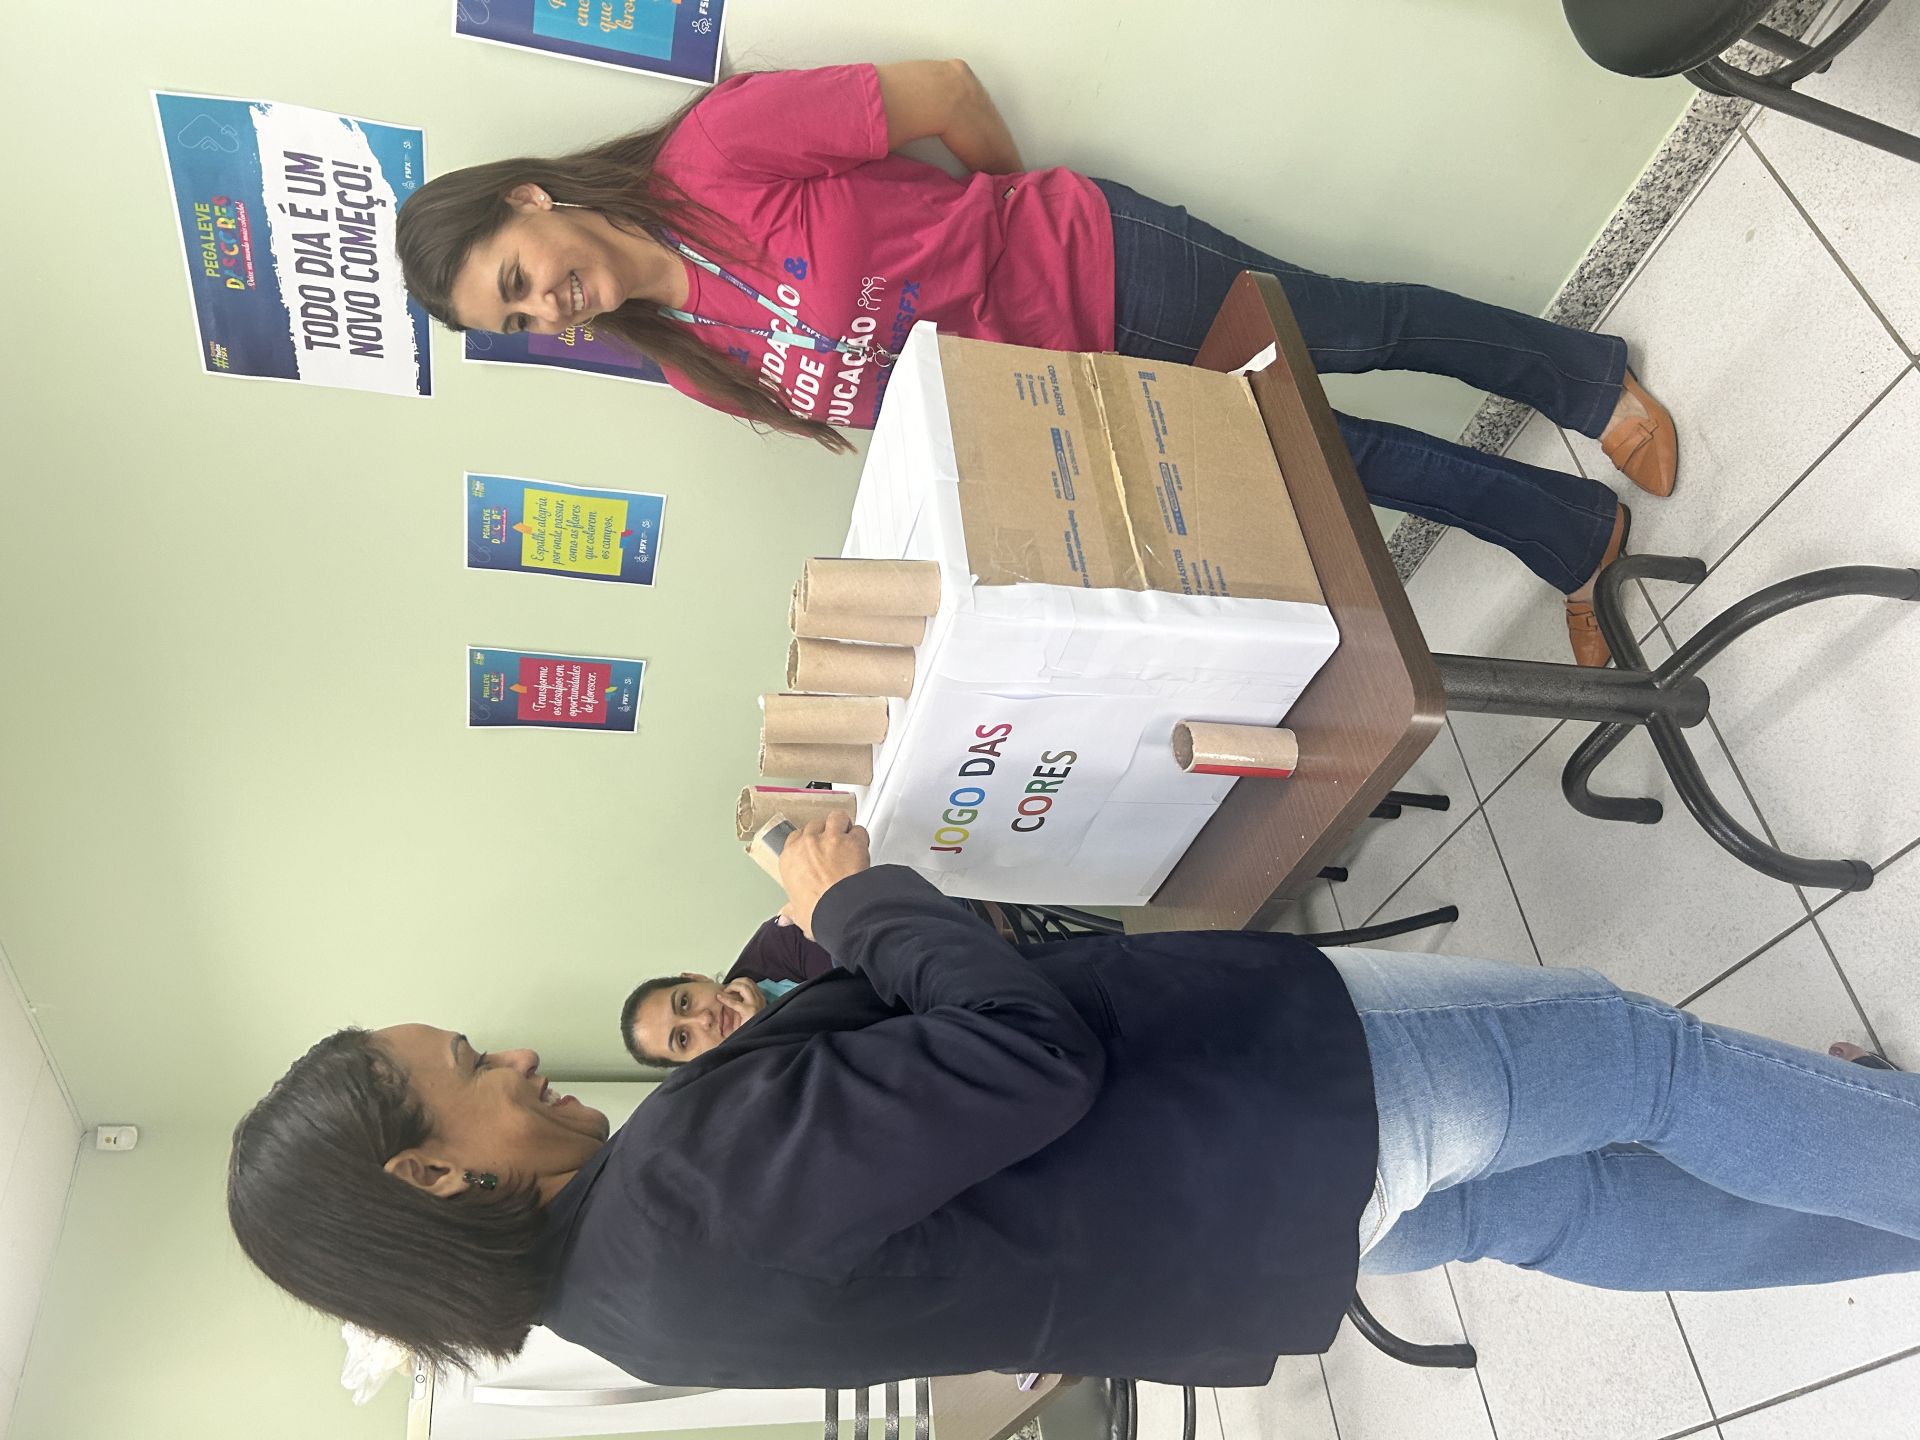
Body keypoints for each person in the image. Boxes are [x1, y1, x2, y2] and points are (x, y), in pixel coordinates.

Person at [230, 814, 1920, 1390]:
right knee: (1638, 1064)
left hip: (1255, 1221)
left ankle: (1883, 1203)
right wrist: (853, 901)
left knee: (1569, 1206)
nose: (519, 1061)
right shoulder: (678, 1199)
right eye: (474, 1071)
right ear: (432, 1176)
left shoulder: (621, 1299)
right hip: (1271, 1113)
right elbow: (1021, 1063)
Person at [396, 60, 1677, 666]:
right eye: (519, 324)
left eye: (517, 279)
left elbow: (943, 94)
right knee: (1328, 466)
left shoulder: (719, 153)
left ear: (531, 199)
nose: (546, 310)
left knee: (1356, 332)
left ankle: (1587, 382)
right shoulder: (690, 365)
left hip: (1106, 268)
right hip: (1083, 401)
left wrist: (1014, 222)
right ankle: (1576, 537)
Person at [619, 917, 834, 1065]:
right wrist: (765, 1034)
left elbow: (854, 992)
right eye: (683, 1038)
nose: (704, 1020)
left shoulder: (783, 938)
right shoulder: (751, 1091)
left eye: (684, 1002)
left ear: (696, 979)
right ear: (693, 1064)